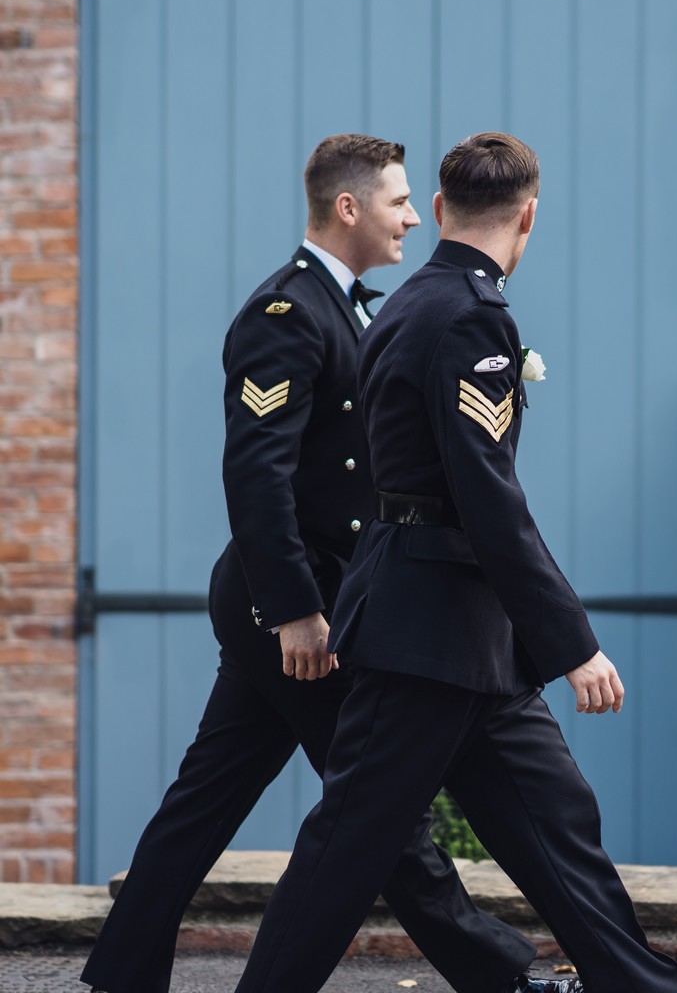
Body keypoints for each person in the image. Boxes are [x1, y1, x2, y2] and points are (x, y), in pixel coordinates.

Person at [231, 133, 677, 993]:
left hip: (466, 636)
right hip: (425, 634)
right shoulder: (470, 316)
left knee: (558, 823)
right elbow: (488, 500)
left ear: (444, 207)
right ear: (530, 216)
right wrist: (573, 644)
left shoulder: (410, 301)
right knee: (347, 849)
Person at [81, 134, 543, 993]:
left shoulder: (354, 310)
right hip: (294, 608)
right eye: (399, 201)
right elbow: (256, 474)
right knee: (378, 811)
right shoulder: (285, 313)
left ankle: (120, 975)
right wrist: (294, 609)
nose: (413, 218)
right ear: (348, 207)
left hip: (318, 597)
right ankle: (503, 977)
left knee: (207, 798)